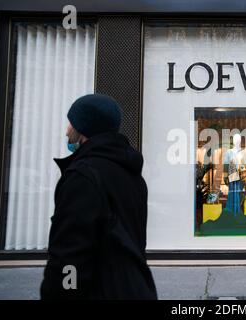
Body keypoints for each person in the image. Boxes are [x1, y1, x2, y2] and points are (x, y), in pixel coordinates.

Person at [40, 94, 157, 300]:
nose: (67, 129)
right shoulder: (132, 174)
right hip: (136, 289)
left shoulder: (83, 177)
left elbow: (70, 256)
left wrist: (63, 293)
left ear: (84, 128)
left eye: (72, 123)